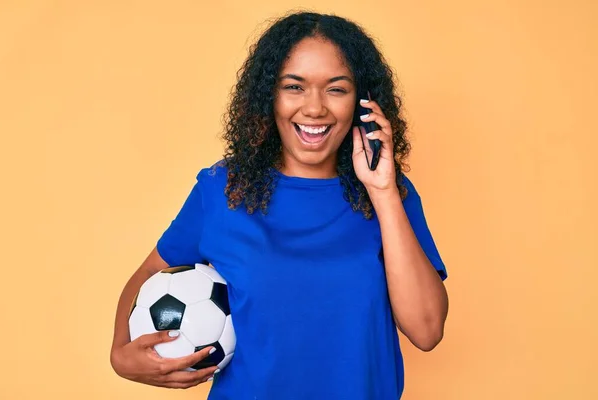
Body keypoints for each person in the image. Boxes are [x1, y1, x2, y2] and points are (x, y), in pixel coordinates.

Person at [110, 11, 449, 400]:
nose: (315, 108)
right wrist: (121, 355)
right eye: (295, 87)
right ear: (269, 95)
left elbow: (427, 331)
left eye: (336, 89)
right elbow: (153, 271)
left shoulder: (390, 194)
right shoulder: (224, 189)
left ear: (363, 103)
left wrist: (384, 191)